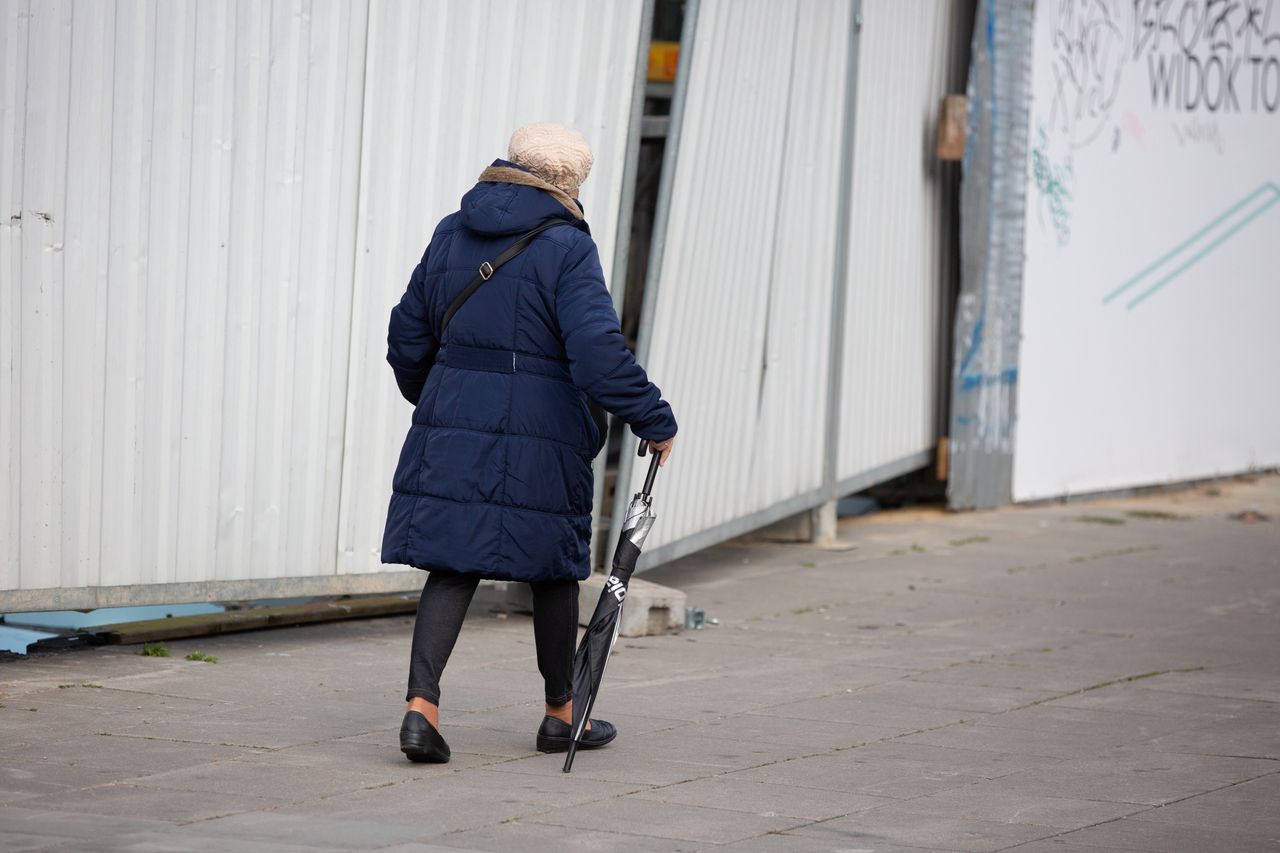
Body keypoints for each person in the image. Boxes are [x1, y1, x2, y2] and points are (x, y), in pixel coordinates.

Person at [381, 123, 677, 763]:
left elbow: (407, 334)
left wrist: (440, 399)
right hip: (544, 427)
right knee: (554, 566)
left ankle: (420, 711)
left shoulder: (451, 229)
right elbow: (597, 353)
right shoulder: (567, 246)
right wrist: (652, 416)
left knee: (452, 561)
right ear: (570, 183)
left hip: (455, 411)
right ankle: (560, 716)